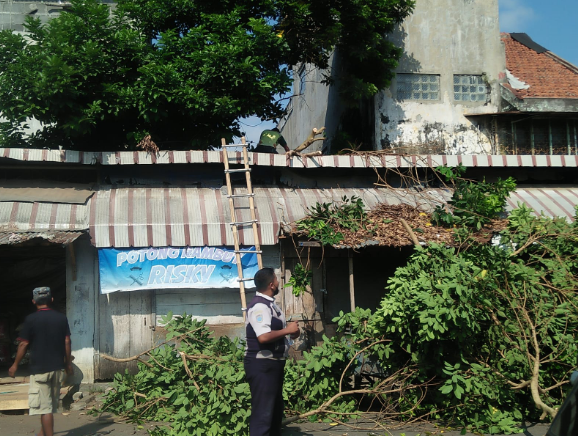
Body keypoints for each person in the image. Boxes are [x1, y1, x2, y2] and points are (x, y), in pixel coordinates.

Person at [8, 287, 73, 436]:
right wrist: (68, 364)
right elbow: (67, 341)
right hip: (57, 369)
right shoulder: (61, 318)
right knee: (49, 406)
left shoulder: (31, 319)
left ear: (33, 301)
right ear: (51, 300)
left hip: (40, 370)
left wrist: (15, 365)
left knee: (44, 409)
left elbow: (23, 344)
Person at [244, 268, 299, 436]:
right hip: (262, 365)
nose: (278, 282)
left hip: (272, 366)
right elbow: (263, 337)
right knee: (263, 415)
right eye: (276, 279)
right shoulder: (260, 306)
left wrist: (291, 331)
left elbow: (275, 333)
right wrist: (287, 330)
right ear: (271, 284)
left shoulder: (270, 304)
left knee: (274, 413)